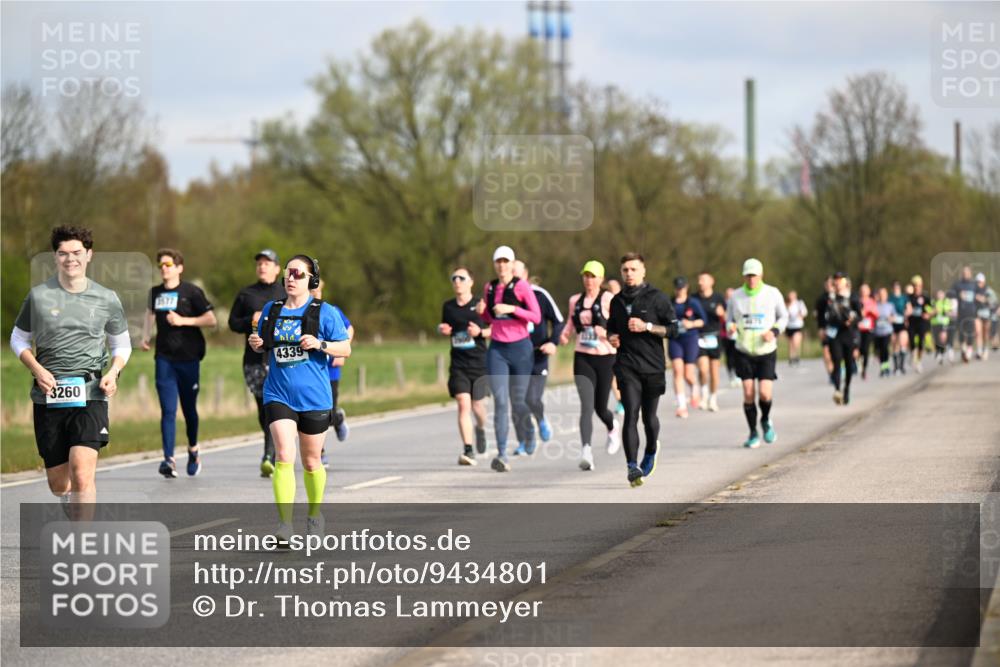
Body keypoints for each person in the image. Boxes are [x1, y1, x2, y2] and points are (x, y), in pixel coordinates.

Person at [9, 226, 131, 512]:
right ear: (55, 257)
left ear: (89, 254)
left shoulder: (106, 297)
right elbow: (18, 338)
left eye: (76, 252)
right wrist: (37, 370)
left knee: (82, 472)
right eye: (63, 253)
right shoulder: (39, 296)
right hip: (49, 394)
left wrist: (113, 373)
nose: (70, 259)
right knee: (59, 483)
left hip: (91, 393)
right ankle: (68, 499)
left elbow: (121, 344)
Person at [248, 255, 351, 541]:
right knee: (283, 455)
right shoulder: (272, 308)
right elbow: (264, 343)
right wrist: (256, 343)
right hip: (278, 392)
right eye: (287, 273)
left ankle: (314, 514)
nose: (290, 278)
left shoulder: (324, 311)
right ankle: (284, 525)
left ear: (311, 280)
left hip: (315, 397)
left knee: (310, 462)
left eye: (298, 273)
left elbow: (346, 349)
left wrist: (321, 344)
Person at [141, 248, 217, 478]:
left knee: (189, 409)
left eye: (168, 265)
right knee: (168, 410)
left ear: (179, 268)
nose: (164, 269)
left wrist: (183, 320)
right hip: (164, 358)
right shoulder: (154, 293)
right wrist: (145, 336)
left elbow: (211, 320)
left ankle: (193, 449)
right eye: (161, 265)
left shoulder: (191, 292)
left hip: (189, 358)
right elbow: (149, 315)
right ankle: (169, 460)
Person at [607, 253, 678, 487]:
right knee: (631, 414)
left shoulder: (657, 298)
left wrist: (647, 326)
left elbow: (673, 329)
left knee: (649, 418)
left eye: (633, 269)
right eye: (625, 269)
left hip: (653, 366)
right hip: (627, 365)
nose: (629, 273)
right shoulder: (616, 301)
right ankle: (632, 466)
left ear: (643, 271)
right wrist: (612, 338)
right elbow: (611, 330)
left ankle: (651, 449)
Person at [477, 246, 542, 472]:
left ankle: (529, 432)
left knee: (518, 401)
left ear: (512, 264)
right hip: (497, 350)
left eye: (506, 261)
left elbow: (536, 316)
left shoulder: (522, 286)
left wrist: (512, 308)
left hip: (521, 349)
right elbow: (489, 318)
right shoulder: (490, 287)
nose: (502, 265)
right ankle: (502, 454)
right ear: (495, 264)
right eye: (498, 262)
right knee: (501, 402)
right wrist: (482, 311)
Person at [229, 249, 287, 478]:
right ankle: (273, 452)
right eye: (260, 263)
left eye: (267, 263)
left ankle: (269, 456)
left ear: (276, 268)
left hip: (281, 359)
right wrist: (248, 320)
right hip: (253, 360)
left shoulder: (285, 293)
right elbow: (232, 322)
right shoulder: (246, 294)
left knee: (275, 407)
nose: (262, 266)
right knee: (264, 410)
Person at [559, 260, 619, 471]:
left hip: (605, 357)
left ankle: (612, 428)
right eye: (586, 275)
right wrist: (565, 334)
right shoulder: (575, 300)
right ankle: (586, 451)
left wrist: (606, 333)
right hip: (582, 356)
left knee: (600, 407)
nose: (589, 280)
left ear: (601, 279)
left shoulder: (608, 298)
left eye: (593, 276)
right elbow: (570, 321)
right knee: (586, 406)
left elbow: (618, 324)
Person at [725, 258, 788, 447]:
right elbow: (729, 319)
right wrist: (731, 327)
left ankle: (766, 420)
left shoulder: (772, 293)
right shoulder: (736, 296)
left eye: (754, 275)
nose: (751, 279)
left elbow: (784, 316)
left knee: (765, 393)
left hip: (766, 350)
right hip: (743, 349)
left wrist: (774, 331)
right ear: (744, 276)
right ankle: (753, 432)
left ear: (761, 275)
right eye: (748, 275)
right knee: (748, 392)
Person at [438, 267, 490, 466]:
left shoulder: (481, 305)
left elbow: (495, 329)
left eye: (462, 278)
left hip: (479, 362)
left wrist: (480, 332)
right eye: (454, 278)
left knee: (478, 406)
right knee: (463, 404)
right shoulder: (448, 306)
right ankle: (468, 449)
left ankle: (481, 428)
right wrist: (442, 329)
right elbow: (444, 326)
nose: (457, 281)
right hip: (458, 364)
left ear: (471, 282)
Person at [513, 259, 564, 454]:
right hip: (515, 355)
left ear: (525, 274)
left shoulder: (540, 295)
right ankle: (525, 441)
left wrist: (553, 342)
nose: (514, 278)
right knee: (517, 401)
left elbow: (558, 321)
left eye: (518, 274)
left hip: (538, 354)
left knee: (532, 399)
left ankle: (541, 420)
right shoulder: (504, 296)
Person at [310, 280, 354, 467]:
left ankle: (338, 418)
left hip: (330, 370)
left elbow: (349, 329)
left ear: (322, 289)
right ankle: (320, 453)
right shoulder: (299, 312)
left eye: (316, 289)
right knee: (312, 413)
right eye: (310, 289)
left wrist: (341, 352)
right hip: (311, 370)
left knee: (327, 412)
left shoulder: (331, 310)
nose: (313, 292)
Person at [669, 277, 706, 418]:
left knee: (688, 374)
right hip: (675, 339)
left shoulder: (693, 303)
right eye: (678, 287)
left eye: (682, 287)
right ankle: (681, 406)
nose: (680, 290)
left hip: (690, 338)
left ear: (686, 287)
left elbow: (703, 320)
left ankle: (694, 388)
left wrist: (692, 324)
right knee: (677, 370)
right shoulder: (670, 303)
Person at [821, 273, 861, 405]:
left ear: (845, 282)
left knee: (849, 364)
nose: (837, 283)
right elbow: (824, 316)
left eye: (840, 280)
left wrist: (852, 320)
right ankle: (837, 390)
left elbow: (860, 315)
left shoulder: (853, 297)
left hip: (849, 334)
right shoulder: (830, 297)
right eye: (835, 281)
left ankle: (847, 389)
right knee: (836, 361)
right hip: (835, 334)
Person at [693, 271, 726, 412]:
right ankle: (704, 395)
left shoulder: (718, 297)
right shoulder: (693, 298)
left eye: (704, 279)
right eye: (699, 279)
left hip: (714, 337)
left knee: (714, 371)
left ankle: (713, 398)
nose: (701, 282)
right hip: (699, 337)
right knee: (703, 368)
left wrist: (721, 313)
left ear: (711, 281)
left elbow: (726, 316)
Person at [604, 278, 625, 415]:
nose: (612, 289)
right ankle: (621, 401)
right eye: (609, 287)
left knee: (625, 374)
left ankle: (630, 399)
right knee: (612, 375)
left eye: (614, 286)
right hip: (607, 343)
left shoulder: (623, 301)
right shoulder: (603, 300)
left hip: (625, 344)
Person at [950, 266, 978, 363]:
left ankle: (969, 352)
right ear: (962, 274)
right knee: (961, 333)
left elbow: (979, 296)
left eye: (968, 273)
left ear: (970, 273)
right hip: (960, 312)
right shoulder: (957, 284)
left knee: (970, 332)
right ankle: (963, 348)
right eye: (964, 273)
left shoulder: (974, 285)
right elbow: (951, 296)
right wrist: (958, 296)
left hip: (971, 312)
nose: (966, 274)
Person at [908, 275, 933, 372]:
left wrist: (928, 314)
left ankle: (918, 361)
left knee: (920, 343)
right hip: (912, 322)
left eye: (918, 285)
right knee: (912, 341)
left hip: (921, 323)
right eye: (914, 285)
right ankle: (912, 354)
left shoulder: (925, 296)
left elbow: (934, 308)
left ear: (921, 286)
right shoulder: (909, 297)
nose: (916, 287)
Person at [814, 276, 836, 383]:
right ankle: (831, 374)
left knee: (836, 353)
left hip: (837, 329)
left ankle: (838, 370)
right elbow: (818, 316)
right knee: (826, 352)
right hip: (825, 329)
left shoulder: (839, 296)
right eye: (826, 285)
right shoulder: (821, 299)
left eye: (830, 284)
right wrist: (820, 329)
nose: (828, 287)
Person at [856, 283, 878, 380]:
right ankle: (859, 362)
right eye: (862, 290)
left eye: (866, 290)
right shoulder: (857, 301)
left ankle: (864, 369)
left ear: (869, 291)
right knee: (858, 348)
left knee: (866, 350)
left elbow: (877, 314)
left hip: (868, 328)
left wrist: (870, 311)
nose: (864, 292)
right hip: (858, 328)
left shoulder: (872, 301)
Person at [888, 280, 910, 374]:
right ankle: (896, 367)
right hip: (893, 323)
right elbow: (887, 310)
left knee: (902, 342)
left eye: (897, 287)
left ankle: (902, 366)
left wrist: (906, 314)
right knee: (894, 344)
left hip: (902, 322)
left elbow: (909, 309)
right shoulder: (890, 298)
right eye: (894, 287)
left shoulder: (904, 298)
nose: (896, 289)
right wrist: (890, 317)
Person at [873, 287, 896, 377]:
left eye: (884, 294)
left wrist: (891, 319)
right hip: (877, 331)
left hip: (887, 330)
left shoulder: (890, 305)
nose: (882, 296)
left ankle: (885, 367)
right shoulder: (875, 305)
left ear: (886, 295)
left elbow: (894, 317)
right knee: (879, 350)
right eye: (880, 294)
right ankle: (883, 366)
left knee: (885, 348)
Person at [784, 290, 808, 368]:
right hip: (789, 326)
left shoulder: (799, 303)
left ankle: (796, 355)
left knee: (795, 341)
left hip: (797, 325)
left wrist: (800, 315)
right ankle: (791, 357)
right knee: (790, 343)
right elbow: (784, 314)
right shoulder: (786, 304)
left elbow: (804, 312)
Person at [974, 272, 995, 360]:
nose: (979, 283)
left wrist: (982, 299)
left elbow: (993, 301)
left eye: (980, 281)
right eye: (978, 281)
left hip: (987, 314)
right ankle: (979, 351)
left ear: (984, 281)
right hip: (977, 313)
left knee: (985, 333)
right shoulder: (974, 290)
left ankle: (985, 349)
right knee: (978, 332)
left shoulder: (988, 290)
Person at [930, 288, 953, 365]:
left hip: (944, 323)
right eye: (938, 294)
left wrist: (946, 312)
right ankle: (938, 352)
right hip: (935, 323)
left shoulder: (946, 302)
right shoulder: (933, 302)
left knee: (943, 337)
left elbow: (950, 312)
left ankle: (942, 353)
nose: (940, 295)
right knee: (936, 339)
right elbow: (929, 313)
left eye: (941, 294)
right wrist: (934, 311)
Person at [722, 286, 739, 387]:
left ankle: (738, 375)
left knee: (737, 356)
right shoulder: (723, 304)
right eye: (728, 294)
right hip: (725, 335)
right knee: (729, 357)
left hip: (737, 335)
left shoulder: (738, 303)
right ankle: (731, 376)